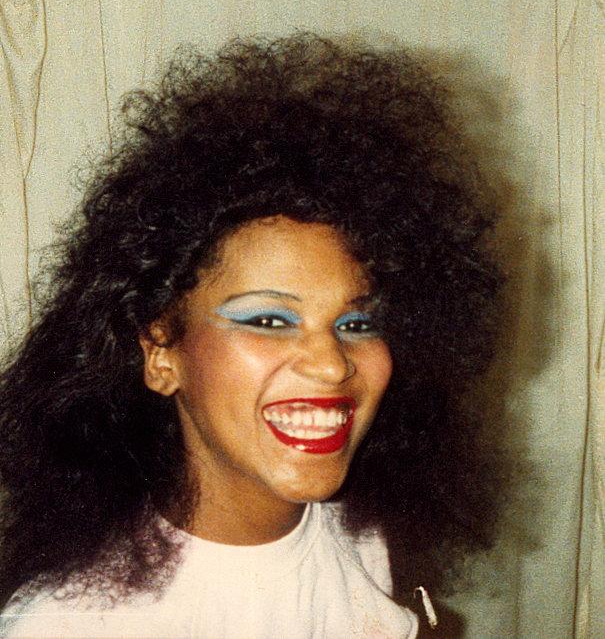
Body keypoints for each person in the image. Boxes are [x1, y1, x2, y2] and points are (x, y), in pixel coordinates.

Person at [0, 33, 506, 637]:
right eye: (269, 320)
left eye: (357, 323)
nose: (331, 364)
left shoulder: (354, 533)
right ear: (160, 353)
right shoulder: (72, 625)